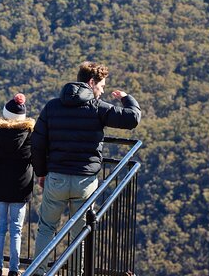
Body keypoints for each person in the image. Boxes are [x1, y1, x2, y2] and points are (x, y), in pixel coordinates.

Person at [31, 61, 141, 274]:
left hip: (56, 178)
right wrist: (126, 98)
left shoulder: (52, 106)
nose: (102, 92)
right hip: (85, 181)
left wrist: (42, 172)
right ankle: (75, 273)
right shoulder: (98, 108)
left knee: (46, 228)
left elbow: (37, 142)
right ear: (92, 82)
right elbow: (132, 118)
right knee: (79, 233)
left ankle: (38, 272)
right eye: (101, 87)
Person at [0, 93, 35, 276]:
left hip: (0, 185)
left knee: (0, 228)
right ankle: (13, 269)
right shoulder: (30, 136)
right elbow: (38, 153)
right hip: (21, 186)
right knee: (16, 231)